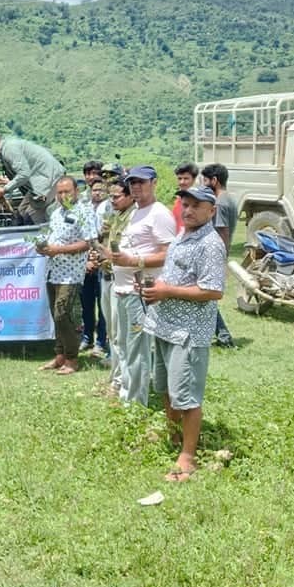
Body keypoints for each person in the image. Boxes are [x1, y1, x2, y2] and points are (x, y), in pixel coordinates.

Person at [142, 185, 226, 481]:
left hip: (188, 333)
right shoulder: (183, 235)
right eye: (185, 205)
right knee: (166, 389)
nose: (188, 211)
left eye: (195, 206)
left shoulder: (211, 244)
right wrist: (158, 287)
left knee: (187, 397)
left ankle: (188, 458)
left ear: (211, 211)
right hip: (165, 328)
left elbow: (213, 290)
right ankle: (174, 437)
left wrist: (168, 290)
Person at [108, 165, 177, 407]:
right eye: (132, 183)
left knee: (137, 351)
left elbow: (168, 254)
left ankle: (135, 405)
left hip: (140, 293)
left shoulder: (159, 214)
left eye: (141, 182)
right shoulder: (137, 211)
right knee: (126, 347)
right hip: (123, 289)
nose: (136, 186)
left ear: (154, 183)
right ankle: (127, 394)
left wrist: (134, 261)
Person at [37, 176, 98, 375]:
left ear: (76, 192)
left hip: (70, 274)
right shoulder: (56, 213)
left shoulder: (83, 212)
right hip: (52, 271)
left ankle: (72, 359)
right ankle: (60, 356)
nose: (63, 196)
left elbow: (87, 243)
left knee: (63, 315)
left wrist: (59, 249)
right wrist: (43, 246)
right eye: (60, 192)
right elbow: (50, 236)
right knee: (56, 317)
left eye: (67, 192)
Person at [99, 179, 135, 394]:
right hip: (106, 276)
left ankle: (121, 382)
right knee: (112, 333)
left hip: (120, 280)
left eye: (116, 196)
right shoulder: (114, 217)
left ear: (130, 196)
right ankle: (114, 376)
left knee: (121, 334)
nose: (112, 200)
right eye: (110, 196)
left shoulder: (133, 217)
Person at [0, 132, 65, 225]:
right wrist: (7, 182)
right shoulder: (7, 148)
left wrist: (4, 190)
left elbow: (24, 174)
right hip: (37, 183)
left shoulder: (9, 149)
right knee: (19, 216)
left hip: (49, 180)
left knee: (30, 219)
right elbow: (25, 172)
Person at [202, 162, 238, 348]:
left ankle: (224, 336)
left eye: (205, 180)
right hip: (218, 255)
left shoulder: (220, 202)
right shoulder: (229, 199)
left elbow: (222, 231)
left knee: (206, 296)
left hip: (215, 256)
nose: (203, 184)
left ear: (214, 180)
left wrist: (219, 259)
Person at [80, 178, 110, 357]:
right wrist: (87, 260)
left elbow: (102, 237)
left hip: (102, 262)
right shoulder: (84, 209)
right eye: (94, 189)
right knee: (86, 304)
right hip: (85, 263)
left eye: (101, 189)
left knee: (103, 305)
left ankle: (101, 341)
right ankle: (87, 337)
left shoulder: (107, 209)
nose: (97, 192)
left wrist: (96, 257)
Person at [172, 162, 199, 232]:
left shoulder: (199, 201)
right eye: (179, 178)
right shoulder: (178, 198)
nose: (182, 182)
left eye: (186, 178)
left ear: (194, 179)